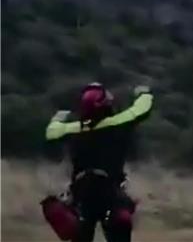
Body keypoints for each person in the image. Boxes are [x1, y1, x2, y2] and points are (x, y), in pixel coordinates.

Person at [44, 83, 154, 242]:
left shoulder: (75, 129)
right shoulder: (118, 123)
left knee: (80, 232)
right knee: (120, 225)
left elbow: (52, 131)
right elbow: (140, 110)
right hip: (110, 192)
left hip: (81, 193)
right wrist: (144, 94)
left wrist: (60, 115)